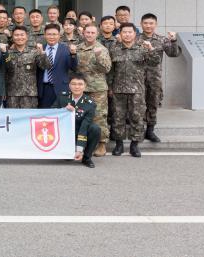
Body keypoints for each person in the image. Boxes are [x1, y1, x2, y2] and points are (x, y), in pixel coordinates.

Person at [108, 23, 160, 157]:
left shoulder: (142, 48)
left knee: (137, 118)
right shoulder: (114, 48)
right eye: (124, 32)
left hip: (137, 90)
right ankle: (119, 145)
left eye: (130, 32)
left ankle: (134, 145)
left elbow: (155, 62)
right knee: (118, 118)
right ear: (120, 33)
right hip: (118, 90)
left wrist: (151, 50)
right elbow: (110, 71)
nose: (127, 34)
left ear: (134, 34)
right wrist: (109, 87)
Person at [138, 13, 181, 142]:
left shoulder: (162, 39)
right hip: (137, 77)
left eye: (151, 23)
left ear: (155, 25)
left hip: (154, 77)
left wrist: (173, 40)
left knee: (153, 103)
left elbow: (173, 54)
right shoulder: (135, 39)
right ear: (141, 24)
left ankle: (150, 130)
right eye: (145, 23)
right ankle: (138, 131)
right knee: (138, 104)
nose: (148, 26)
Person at [76, 24, 112, 156]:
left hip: (97, 89)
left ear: (97, 34)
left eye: (92, 32)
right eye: (87, 32)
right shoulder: (78, 48)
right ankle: (83, 143)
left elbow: (107, 69)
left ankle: (102, 144)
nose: (90, 35)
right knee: (81, 116)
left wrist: (99, 57)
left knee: (99, 116)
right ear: (83, 33)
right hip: (81, 88)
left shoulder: (101, 49)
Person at [52, 73, 101, 168]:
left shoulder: (90, 103)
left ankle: (86, 158)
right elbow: (51, 113)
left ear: (85, 86)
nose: (77, 87)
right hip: (64, 131)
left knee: (95, 129)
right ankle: (67, 152)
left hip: (80, 131)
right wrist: (63, 110)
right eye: (73, 84)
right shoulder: (62, 97)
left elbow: (84, 126)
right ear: (69, 85)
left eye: (80, 84)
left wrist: (79, 149)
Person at [5, 26, 51, 109]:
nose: (19, 37)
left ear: (27, 37)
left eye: (22, 35)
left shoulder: (34, 52)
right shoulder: (7, 53)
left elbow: (45, 66)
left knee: (29, 119)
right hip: (12, 94)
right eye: (16, 35)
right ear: (12, 37)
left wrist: (42, 53)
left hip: (29, 94)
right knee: (13, 120)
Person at [37, 24, 78, 108]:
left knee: (61, 116)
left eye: (54, 34)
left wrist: (73, 54)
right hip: (44, 88)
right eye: (49, 34)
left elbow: (73, 67)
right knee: (45, 116)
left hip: (61, 88)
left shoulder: (66, 49)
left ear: (59, 35)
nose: (52, 37)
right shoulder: (39, 49)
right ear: (44, 35)